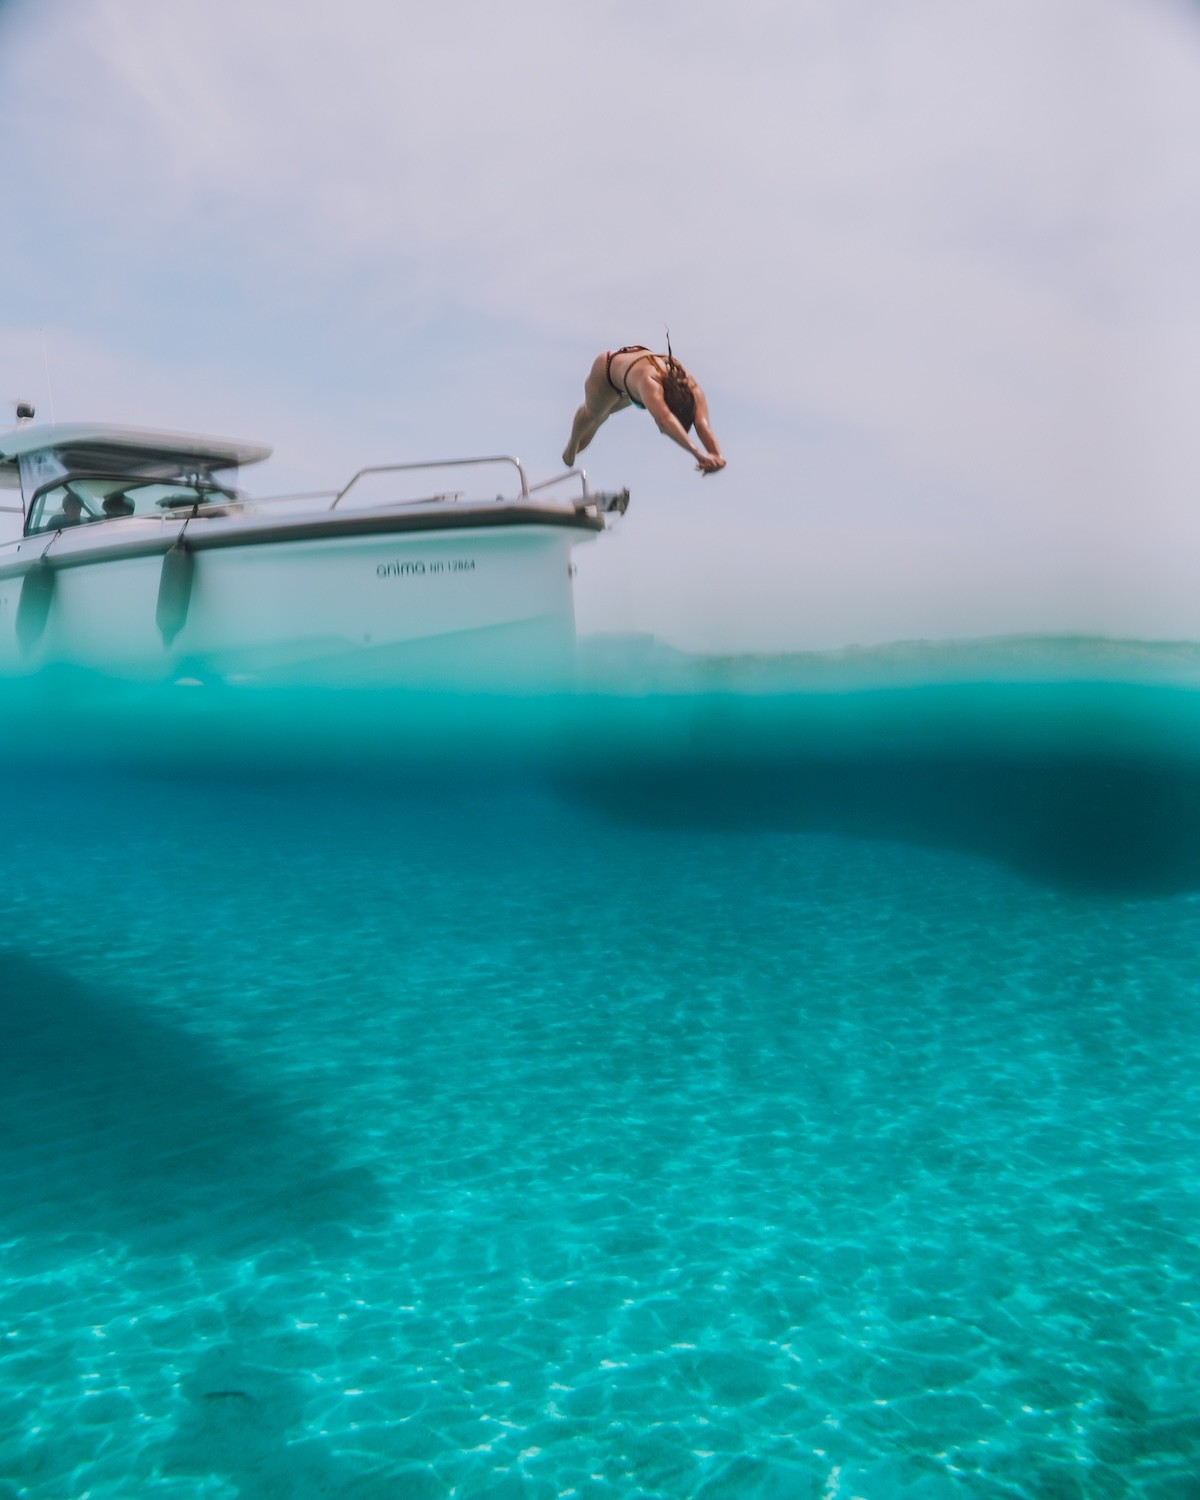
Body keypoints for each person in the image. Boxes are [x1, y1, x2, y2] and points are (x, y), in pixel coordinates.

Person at [563, 339, 726, 475]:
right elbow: (664, 419)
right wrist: (698, 454)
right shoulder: (650, 382)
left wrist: (717, 456)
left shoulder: (691, 387)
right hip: (606, 374)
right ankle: (571, 448)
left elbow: (703, 426)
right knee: (594, 415)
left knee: (604, 415)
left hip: (631, 384)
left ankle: (594, 425)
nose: (661, 430)